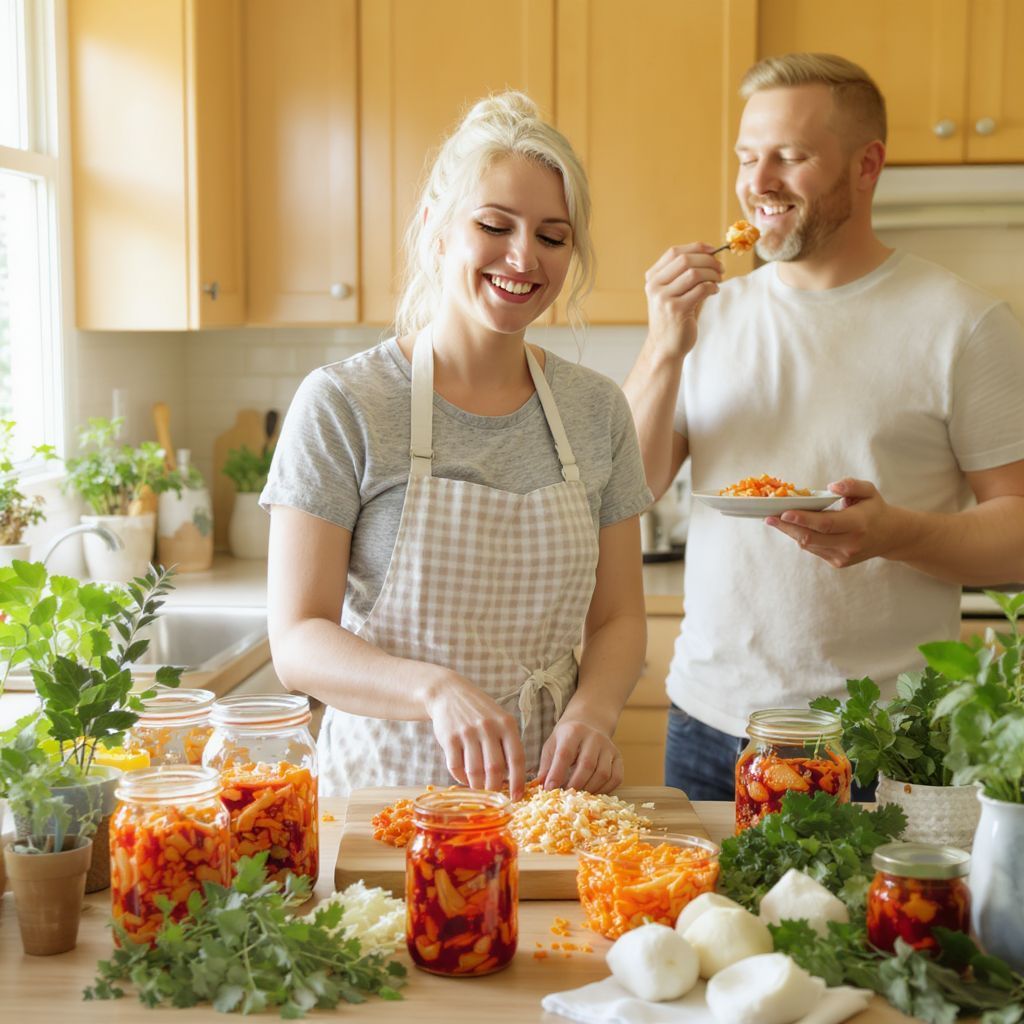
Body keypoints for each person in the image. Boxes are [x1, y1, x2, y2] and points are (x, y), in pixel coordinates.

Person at [623, 52, 1024, 801]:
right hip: (710, 724)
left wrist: (894, 533)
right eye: (748, 157)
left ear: (866, 165)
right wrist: (661, 347)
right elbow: (629, 491)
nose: (759, 181)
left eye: (791, 156)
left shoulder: (964, 325)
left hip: (882, 738)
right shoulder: (708, 317)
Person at [262, 92, 652, 799]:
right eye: (495, 225)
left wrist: (593, 712)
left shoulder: (596, 410)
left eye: (553, 237)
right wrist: (434, 690)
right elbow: (296, 640)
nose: (523, 257)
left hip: (545, 802)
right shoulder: (345, 403)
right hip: (385, 802)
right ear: (437, 230)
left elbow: (620, 617)